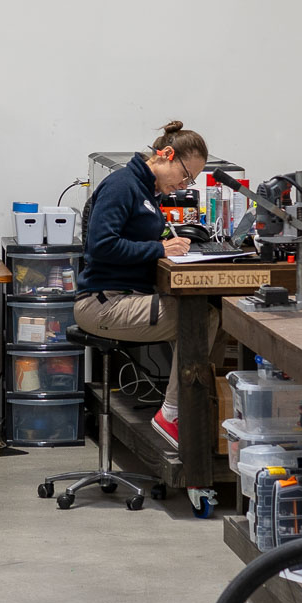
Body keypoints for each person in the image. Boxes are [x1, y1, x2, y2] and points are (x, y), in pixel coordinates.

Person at [75, 121, 212, 446]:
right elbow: (101, 245)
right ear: (165, 155)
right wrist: (159, 248)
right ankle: (174, 414)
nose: (184, 185)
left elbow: (136, 235)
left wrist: (168, 241)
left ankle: (190, 411)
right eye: (186, 175)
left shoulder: (144, 191)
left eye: (191, 180)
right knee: (200, 319)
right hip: (102, 303)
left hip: (123, 298)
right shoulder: (123, 186)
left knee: (204, 313)